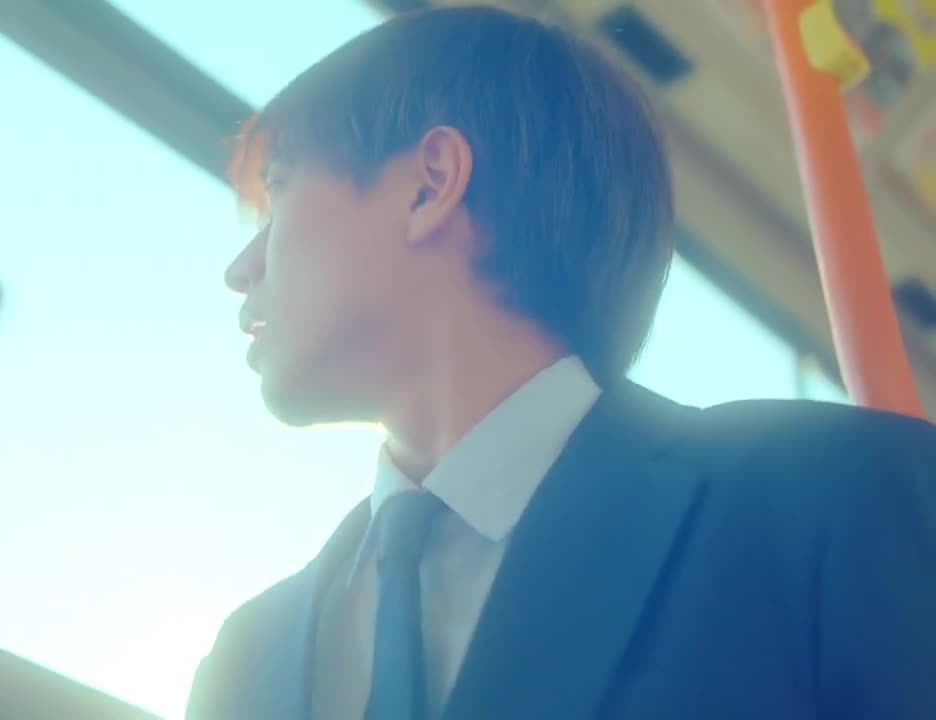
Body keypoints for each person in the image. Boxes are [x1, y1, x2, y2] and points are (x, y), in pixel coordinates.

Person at [188, 6, 936, 719]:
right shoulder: (245, 662)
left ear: (430, 184)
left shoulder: (837, 502)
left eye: (278, 193)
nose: (240, 269)